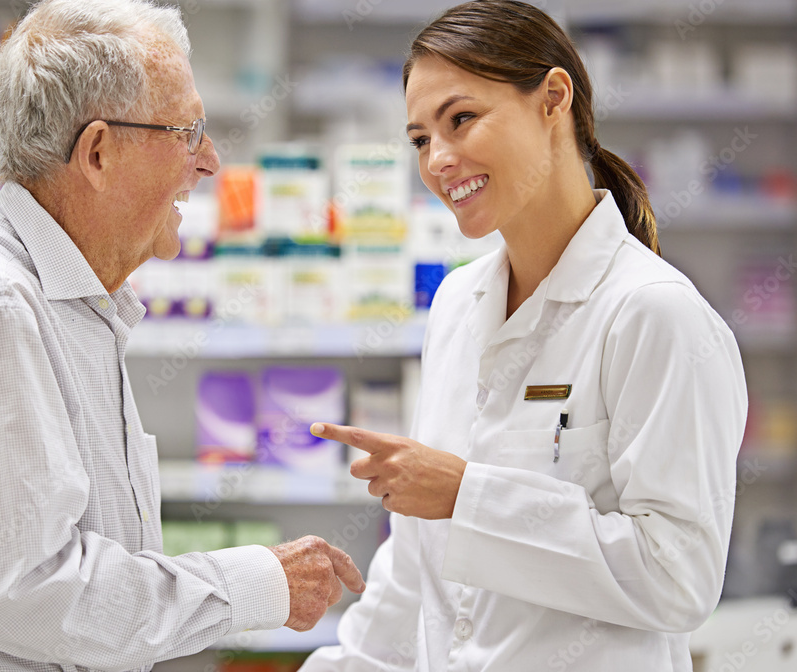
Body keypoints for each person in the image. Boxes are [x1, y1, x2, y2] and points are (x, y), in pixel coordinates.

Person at [0, 1, 364, 670]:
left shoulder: (76, 303)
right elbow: (37, 596)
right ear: (98, 151)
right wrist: (253, 584)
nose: (208, 161)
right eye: (185, 132)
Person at [301, 2, 747, 671]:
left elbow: (678, 577)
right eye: (421, 139)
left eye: (461, 119)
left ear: (553, 99)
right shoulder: (457, 303)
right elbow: (416, 569)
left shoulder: (653, 314)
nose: (440, 159)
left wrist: (466, 495)